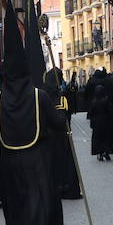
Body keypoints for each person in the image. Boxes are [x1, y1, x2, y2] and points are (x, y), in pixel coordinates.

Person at [0, 6, 66, 225]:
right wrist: (62, 107)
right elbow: (58, 125)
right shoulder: (40, 96)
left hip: (10, 167)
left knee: (17, 214)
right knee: (39, 212)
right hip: (38, 164)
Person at [44, 69, 83, 200]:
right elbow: (63, 118)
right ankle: (66, 187)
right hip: (60, 135)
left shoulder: (42, 95)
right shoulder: (59, 97)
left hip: (46, 137)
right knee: (65, 163)